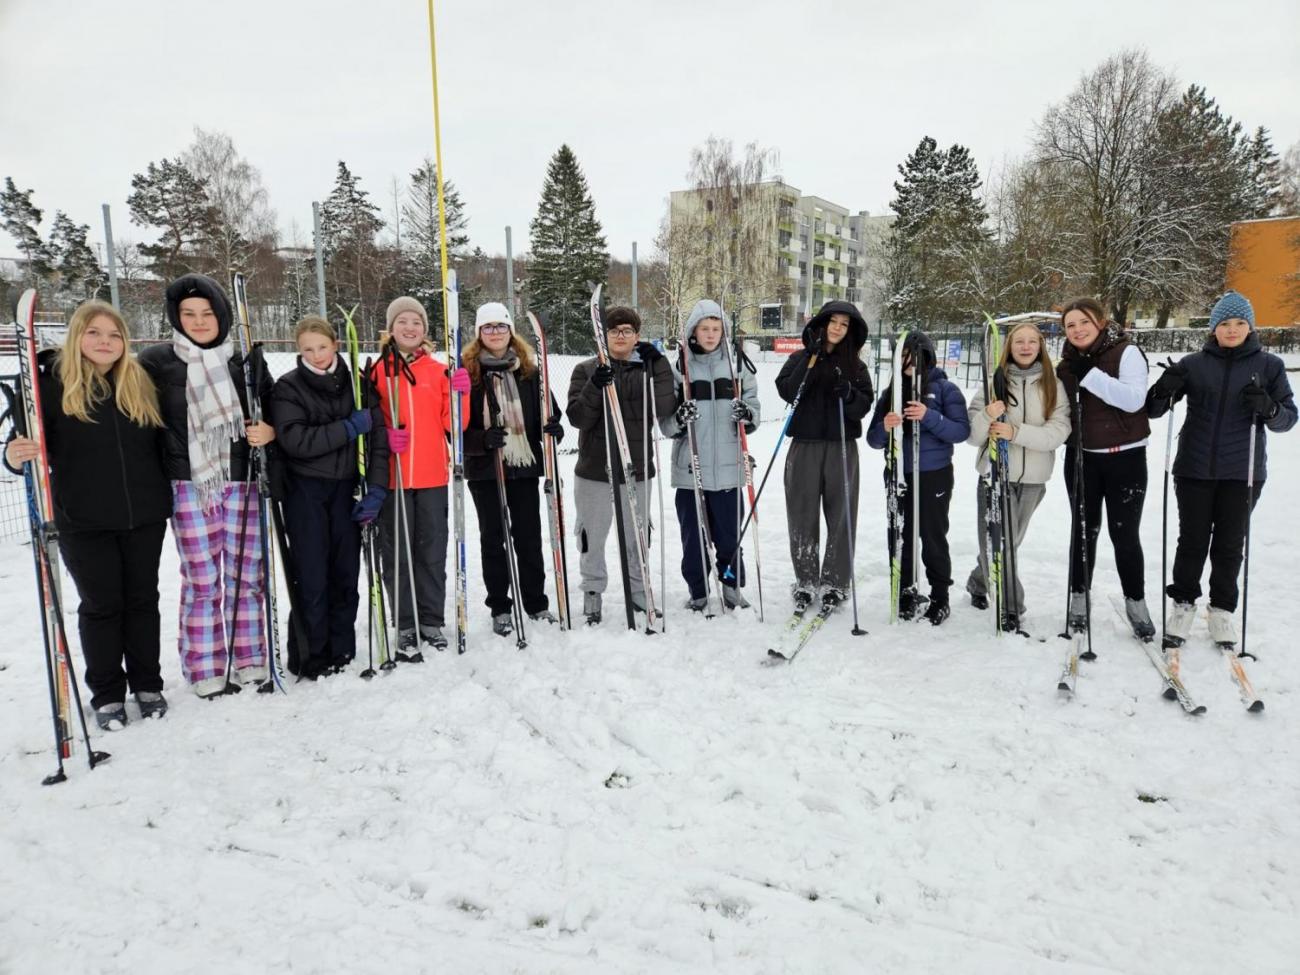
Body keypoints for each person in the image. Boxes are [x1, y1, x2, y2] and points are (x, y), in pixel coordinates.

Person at [4, 301, 172, 728]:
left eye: (114, 335)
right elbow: (19, 446)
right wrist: (14, 455)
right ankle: (108, 694)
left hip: (144, 514)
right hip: (84, 517)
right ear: (77, 336)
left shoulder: (138, 382)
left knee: (142, 601)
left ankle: (147, 684)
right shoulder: (48, 387)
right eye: (95, 333)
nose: (105, 342)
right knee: (101, 605)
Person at [140, 274, 276, 698]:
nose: (199, 322)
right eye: (189, 314)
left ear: (222, 316)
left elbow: (274, 408)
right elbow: (123, 406)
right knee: (201, 579)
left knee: (246, 575)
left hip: (243, 480)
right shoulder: (157, 362)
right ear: (176, 318)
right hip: (190, 483)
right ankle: (205, 665)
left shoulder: (245, 362)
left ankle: (250, 654)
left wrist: (269, 432)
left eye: (207, 314)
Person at [1145, 291, 1296, 647]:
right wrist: (1163, 389)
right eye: (1225, 323)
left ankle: (1222, 610)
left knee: (1230, 545)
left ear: (1250, 326)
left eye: (1239, 323)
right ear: (1213, 328)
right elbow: (1153, 411)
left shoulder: (1270, 366)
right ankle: (1183, 603)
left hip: (1242, 472)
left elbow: (1288, 420)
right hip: (1194, 468)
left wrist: (1269, 408)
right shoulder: (1194, 363)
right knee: (1192, 541)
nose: (1232, 330)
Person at [271, 316, 390, 678]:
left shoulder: (357, 384)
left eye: (322, 346)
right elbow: (295, 441)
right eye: (308, 349)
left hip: (346, 489)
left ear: (335, 344)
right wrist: (347, 428)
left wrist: (378, 487)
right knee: (311, 575)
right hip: (306, 491)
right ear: (299, 350)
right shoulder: (288, 387)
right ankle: (311, 654)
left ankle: (342, 649)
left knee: (345, 572)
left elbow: (378, 441)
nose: (316, 354)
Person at [370, 296, 470, 653]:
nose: (410, 328)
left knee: (431, 551)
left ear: (425, 330)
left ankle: (430, 619)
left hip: (430, 477)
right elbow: (367, 420)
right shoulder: (376, 370)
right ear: (391, 328)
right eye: (403, 322)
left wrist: (462, 395)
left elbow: (453, 425)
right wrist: (384, 434)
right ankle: (406, 622)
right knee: (397, 552)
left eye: (416, 322)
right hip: (393, 478)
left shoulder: (438, 370)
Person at [565, 306, 676, 624]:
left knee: (637, 535)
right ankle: (592, 593)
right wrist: (595, 385)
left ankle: (639, 591)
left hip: (637, 469)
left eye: (628, 330)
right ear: (604, 335)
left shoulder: (648, 369)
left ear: (637, 336)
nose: (621, 336)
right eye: (614, 330)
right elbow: (578, 418)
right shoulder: (585, 369)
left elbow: (666, 407)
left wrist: (661, 365)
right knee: (592, 535)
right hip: (594, 470)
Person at [1054, 297, 1153, 639]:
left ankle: (1136, 602)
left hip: (1125, 458)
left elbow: (1132, 399)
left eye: (1083, 322)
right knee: (1083, 531)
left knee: (1124, 534)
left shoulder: (1126, 352)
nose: (1077, 329)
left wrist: (1090, 376)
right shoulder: (1065, 365)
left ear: (1099, 322)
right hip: (1082, 458)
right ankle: (1079, 598)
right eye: (1070, 325)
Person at [461, 302, 562, 636]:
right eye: (487, 327)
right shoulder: (467, 376)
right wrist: (482, 439)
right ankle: (500, 607)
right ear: (479, 333)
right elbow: (454, 429)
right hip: (486, 470)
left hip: (523, 468)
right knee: (493, 539)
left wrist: (552, 429)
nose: (495, 333)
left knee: (528, 538)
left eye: (500, 326)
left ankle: (536, 602)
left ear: (510, 331)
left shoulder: (529, 373)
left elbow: (550, 412)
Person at [964, 321, 1071, 628]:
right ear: (1009, 347)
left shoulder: (1053, 385)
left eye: (1032, 342)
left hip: (1034, 479)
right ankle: (1011, 609)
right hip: (994, 476)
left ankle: (979, 580)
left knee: (1009, 542)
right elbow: (972, 435)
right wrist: (987, 416)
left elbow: (1058, 432)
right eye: (1018, 341)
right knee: (998, 544)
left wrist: (1015, 432)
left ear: (1040, 347)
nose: (1025, 347)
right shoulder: (992, 382)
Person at [661, 299, 761, 611]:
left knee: (729, 538)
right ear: (693, 331)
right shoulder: (680, 367)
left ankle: (731, 587)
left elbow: (755, 408)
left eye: (716, 328)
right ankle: (699, 591)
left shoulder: (737, 365)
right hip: (692, 469)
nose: (710, 334)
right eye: (704, 328)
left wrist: (747, 414)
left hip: (729, 469)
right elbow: (665, 422)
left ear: (724, 331)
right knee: (694, 540)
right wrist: (679, 418)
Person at [776, 301, 873, 615]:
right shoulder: (800, 357)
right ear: (821, 323)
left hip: (841, 447)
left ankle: (835, 582)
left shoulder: (856, 366)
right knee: (802, 513)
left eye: (845, 325)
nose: (837, 328)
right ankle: (806, 580)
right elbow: (788, 391)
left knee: (841, 514)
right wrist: (810, 358)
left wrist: (850, 394)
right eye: (833, 322)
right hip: (804, 445)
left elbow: (864, 404)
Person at [866, 331, 969, 625]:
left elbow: (961, 431)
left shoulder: (945, 389)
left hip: (934, 475)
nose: (910, 363)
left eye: (916, 356)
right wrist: (885, 427)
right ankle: (906, 592)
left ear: (928, 357)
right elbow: (873, 440)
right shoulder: (891, 392)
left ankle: (940, 596)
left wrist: (928, 416)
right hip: (898, 473)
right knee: (901, 535)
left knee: (932, 535)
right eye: (904, 358)